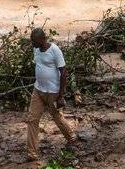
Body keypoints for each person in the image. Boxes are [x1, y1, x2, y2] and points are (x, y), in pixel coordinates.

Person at [26, 27, 76, 161]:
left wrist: (60, 96)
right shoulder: (36, 49)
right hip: (38, 90)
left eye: (34, 41)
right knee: (32, 119)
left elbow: (63, 72)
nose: (32, 44)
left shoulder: (55, 50)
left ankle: (71, 136)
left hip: (52, 92)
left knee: (56, 116)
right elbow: (39, 66)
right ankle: (32, 153)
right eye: (32, 41)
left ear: (42, 40)